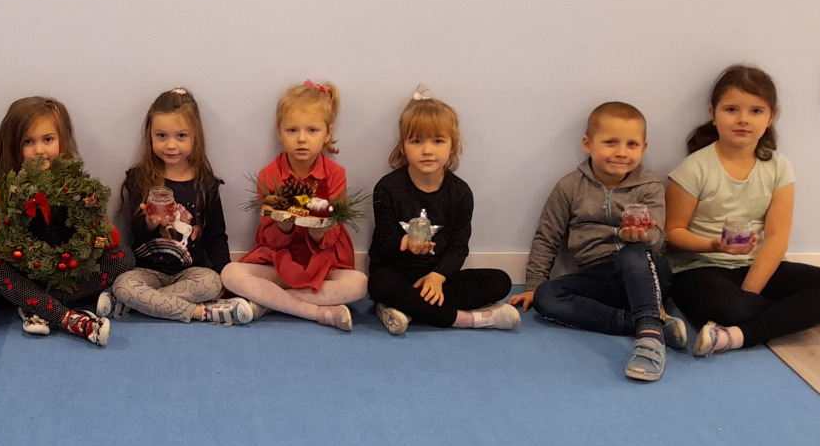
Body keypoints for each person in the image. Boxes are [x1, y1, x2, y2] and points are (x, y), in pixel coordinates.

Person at [666, 65, 820, 356]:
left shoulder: (778, 166)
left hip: (755, 266)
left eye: (756, 111)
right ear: (713, 114)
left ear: (772, 116)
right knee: (731, 309)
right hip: (700, 268)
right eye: (731, 110)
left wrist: (750, 290)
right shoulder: (693, 169)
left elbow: (778, 236)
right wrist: (713, 245)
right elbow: (673, 233)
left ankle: (738, 336)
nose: (743, 119)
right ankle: (811, 314)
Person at [507, 102, 688, 381]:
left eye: (631, 144)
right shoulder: (569, 187)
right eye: (610, 142)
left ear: (643, 148)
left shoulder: (649, 185)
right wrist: (533, 284)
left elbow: (658, 238)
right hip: (598, 277)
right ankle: (645, 323)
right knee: (547, 296)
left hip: (646, 272)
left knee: (632, 254)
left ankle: (650, 339)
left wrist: (641, 238)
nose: (621, 152)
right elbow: (547, 237)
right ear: (587, 144)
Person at [0, 96, 134, 345]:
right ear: (14, 147)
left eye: (48, 140)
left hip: (68, 272)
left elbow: (112, 241)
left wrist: (96, 221)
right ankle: (68, 318)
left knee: (125, 257)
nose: (40, 150)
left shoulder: (76, 187)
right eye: (28, 142)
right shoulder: (7, 191)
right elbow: (0, 247)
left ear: (61, 141)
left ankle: (36, 305)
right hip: (26, 273)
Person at [220, 80, 368, 331]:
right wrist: (284, 226)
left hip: (322, 264)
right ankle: (317, 312)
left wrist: (319, 231)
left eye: (312, 130)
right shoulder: (270, 175)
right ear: (280, 132)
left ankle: (268, 303)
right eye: (292, 130)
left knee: (360, 284)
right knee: (230, 274)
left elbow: (332, 235)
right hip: (278, 261)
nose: (301, 139)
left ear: (327, 133)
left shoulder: (335, 174)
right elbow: (270, 237)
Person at [368, 87, 516, 334]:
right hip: (396, 275)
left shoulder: (460, 193)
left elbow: (458, 248)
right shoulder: (387, 188)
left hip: (439, 279)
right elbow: (384, 243)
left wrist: (437, 276)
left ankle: (406, 309)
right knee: (378, 284)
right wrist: (404, 243)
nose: (427, 150)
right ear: (403, 146)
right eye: (417, 141)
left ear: (452, 145)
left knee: (500, 281)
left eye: (437, 141)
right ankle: (463, 319)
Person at [102, 88, 254, 326]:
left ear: (195, 137)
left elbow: (216, 236)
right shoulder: (139, 178)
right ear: (150, 136)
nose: (171, 145)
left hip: (191, 272)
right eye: (161, 136)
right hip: (147, 271)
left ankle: (136, 304)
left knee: (212, 283)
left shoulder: (206, 184)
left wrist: (225, 279)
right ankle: (202, 313)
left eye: (181, 136)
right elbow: (136, 234)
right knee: (123, 285)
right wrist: (150, 222)